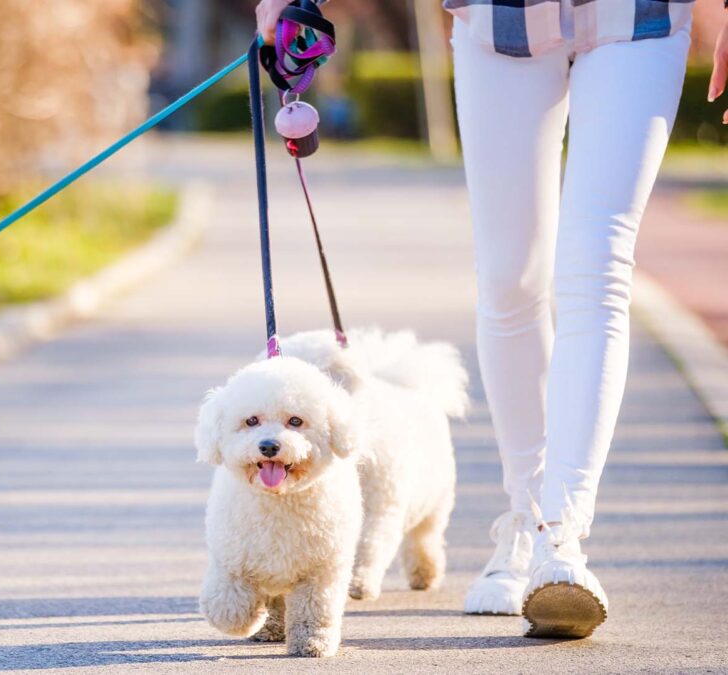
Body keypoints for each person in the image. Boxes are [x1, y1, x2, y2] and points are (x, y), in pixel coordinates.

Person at [256, 0, 723, 639]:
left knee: (597, 264)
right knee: (508, 278)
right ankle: (524, 522)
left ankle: (564, 543)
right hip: (502, 20)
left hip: (638, 18)